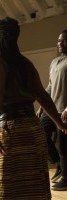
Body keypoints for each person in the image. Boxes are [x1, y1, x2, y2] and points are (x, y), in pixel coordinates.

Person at [0, 17, 67, 200]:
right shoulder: (25, 63)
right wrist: (59, 123)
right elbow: (42, 96)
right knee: (20, 193)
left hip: (11, 132)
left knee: (15, 197)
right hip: (32, 128)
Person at [37, 29, 67, 191]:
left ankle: (66, 178)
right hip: (52, 110)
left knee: (63, 145)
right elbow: (49, 87)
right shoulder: (55, 62)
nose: (60, 43)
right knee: (40, 133)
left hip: (65, 112)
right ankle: (59, 164)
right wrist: (41, 107)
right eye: (58, 41)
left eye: (64, 41)